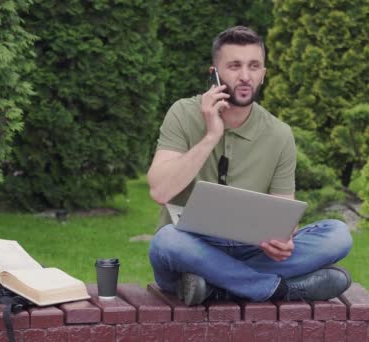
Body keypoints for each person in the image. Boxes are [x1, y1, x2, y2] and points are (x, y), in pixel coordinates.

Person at [147, 26, 353, 306]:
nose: (245, 76)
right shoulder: (183, 113)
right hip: (190, 251)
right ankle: (278, 289)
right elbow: (160, 191)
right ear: (214, 75)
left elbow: (283, 212)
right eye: (234, 66)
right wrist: (210, 136)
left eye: (254, 66)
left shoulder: (279, 134)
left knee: (338, 235)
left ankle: (217, 288)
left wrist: (283, 241)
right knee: (166, 241)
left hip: (249, 253)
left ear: (263, 74)